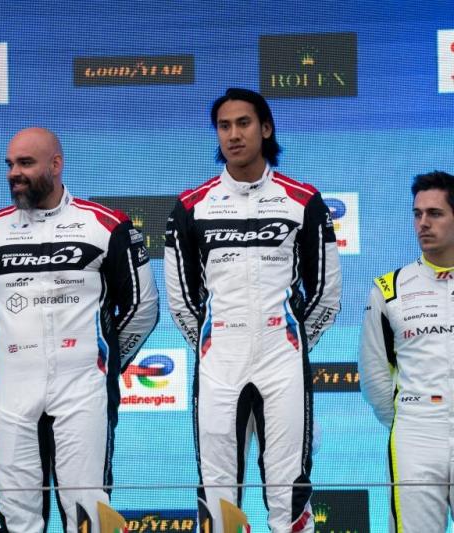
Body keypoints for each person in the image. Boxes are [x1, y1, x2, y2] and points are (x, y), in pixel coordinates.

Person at [0, 127, 159, 532]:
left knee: (87, 512)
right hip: (13, 389)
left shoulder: (106, 225)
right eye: (10, 164)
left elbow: (142, 308)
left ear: (56, 164)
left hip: (83, 388)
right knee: (17, 514)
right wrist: (10, 351)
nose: (14, 173)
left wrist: (105, 360)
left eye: (25, 163)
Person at [163, 88, 341, 532]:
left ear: (265, 128)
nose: (233, 135)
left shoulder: (303, 200)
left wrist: (292, 340)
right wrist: (211, 340)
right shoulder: (190, 206)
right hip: (219, 360)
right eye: (224, 126)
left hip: (282, 360)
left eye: (243, 123)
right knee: (217, 489)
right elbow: (180, 298)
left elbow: (326, 292)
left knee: (288, 488)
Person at [359, 170, 454, 533]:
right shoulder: (389, 289)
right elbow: (374, 376)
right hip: (417, 433)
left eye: (435, 213)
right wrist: (409, 419)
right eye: (417, 214)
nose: (423, 223)